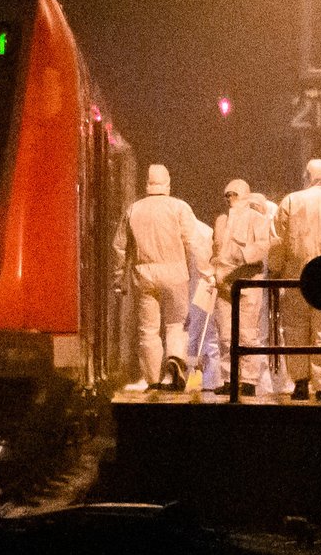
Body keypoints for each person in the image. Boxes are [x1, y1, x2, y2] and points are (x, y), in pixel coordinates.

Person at [113, 164, 197, 392]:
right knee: (175, 324)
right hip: (176, 274)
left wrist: (119, 279)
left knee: (148, 330)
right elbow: (193, 242)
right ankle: (175, 358)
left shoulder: (134, 209)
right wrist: (203, 272)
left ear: (147, 183)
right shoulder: (179, 207)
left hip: (144, 275)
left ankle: (152, 379)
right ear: (167, 182)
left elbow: (120, 247)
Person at [276, 158, 321, 402]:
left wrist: (275, 270)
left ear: (307, 175)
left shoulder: (291, 201)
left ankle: (300, 383)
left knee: (295, 330)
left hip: (296, 274)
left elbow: (277, 242)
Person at [209, 181, 279, 397]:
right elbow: (216, 249)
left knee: (248, 333)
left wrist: (242, 255)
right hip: (224, 282)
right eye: (227, 194)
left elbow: (262, 246)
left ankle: (248, 380)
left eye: (234, 194)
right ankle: (230, 378)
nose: (230, 198)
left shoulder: (256, 219)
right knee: (225, 335)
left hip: (248, 281)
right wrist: (213, 270)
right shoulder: (221, 221)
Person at [181, 202, 220, 391]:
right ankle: (206, 379)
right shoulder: (204, 231)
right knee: (205, 335)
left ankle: (199, 380)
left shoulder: (199, 232)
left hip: (198, 288)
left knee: (199, 335)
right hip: (201, 286)